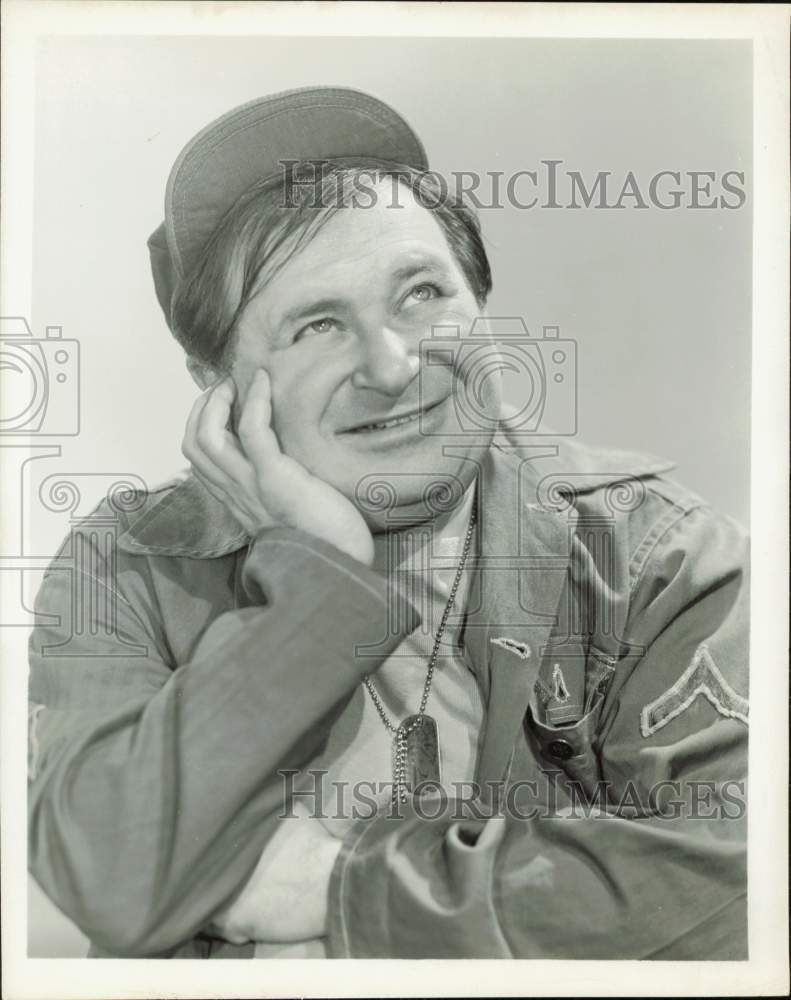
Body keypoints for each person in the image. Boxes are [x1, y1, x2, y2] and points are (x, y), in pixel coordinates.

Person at [28, 86, 749, 960]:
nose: (390, 363)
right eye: (316, 325)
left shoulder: (656, 553)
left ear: (480, 305)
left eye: (419, 294)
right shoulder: (130, 566)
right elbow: (110, 879)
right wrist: (315, 587)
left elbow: (743, 876)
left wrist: (344, 888)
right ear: (213, 383)